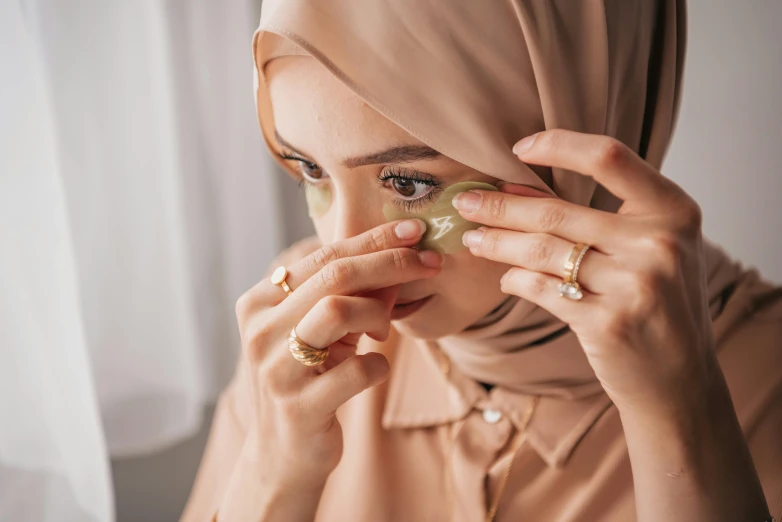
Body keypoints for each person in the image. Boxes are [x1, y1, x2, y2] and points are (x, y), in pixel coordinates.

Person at [181, 1, 781, 520]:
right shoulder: (299, 332)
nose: (344, 251)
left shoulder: (765, 376)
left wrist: (680, 418)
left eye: (410, 184)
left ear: (584, 121)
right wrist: (269, 473)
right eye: (310, 169)